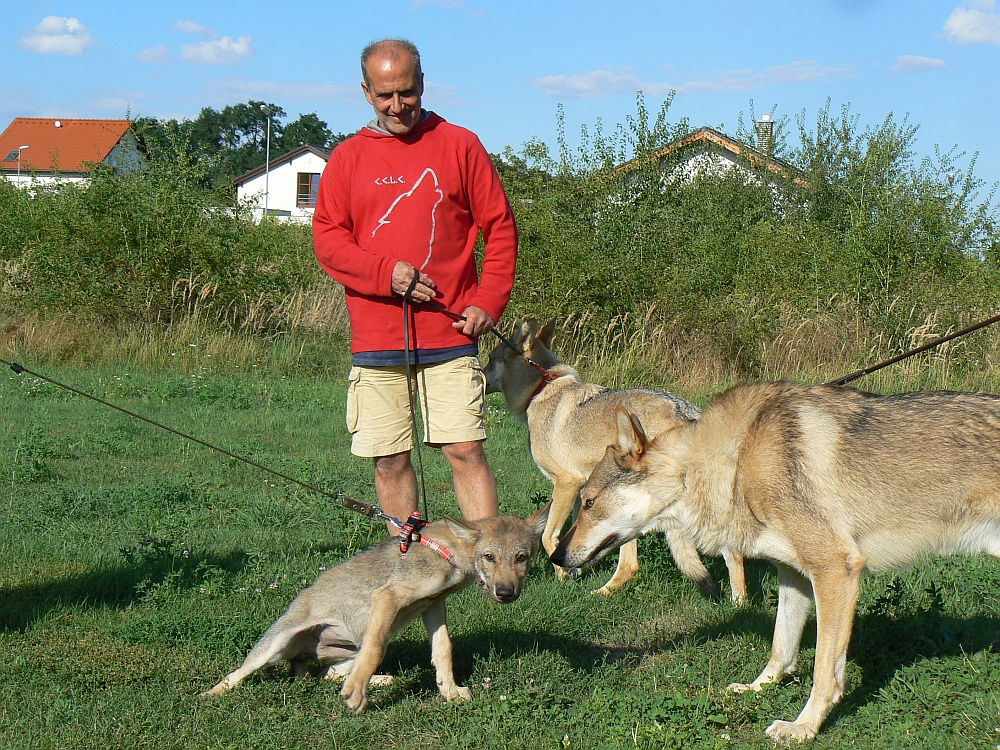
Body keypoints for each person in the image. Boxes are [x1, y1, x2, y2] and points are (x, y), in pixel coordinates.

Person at [313, 38, 518, 532]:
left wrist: (488, 301)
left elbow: (502, 227)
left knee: (465, 450)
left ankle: (489, 565)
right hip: (377, 339)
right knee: (389, 460)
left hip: (451, 334)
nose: (398, 106)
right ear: (366, 92)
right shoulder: (346, 158)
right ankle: (412, 569)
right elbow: (328, 241)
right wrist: (388, 274)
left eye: (406, 92)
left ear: (422, 84)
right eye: (385, 96)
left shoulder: (460, 145)